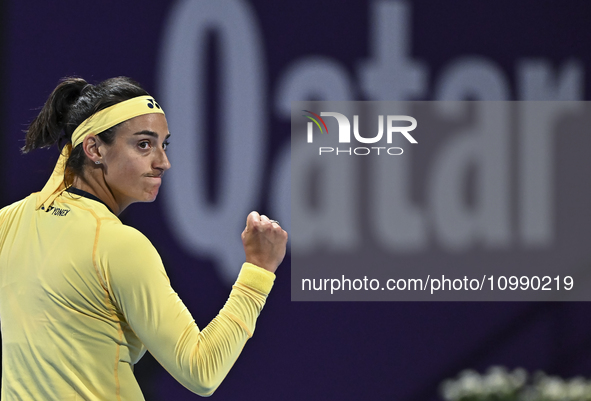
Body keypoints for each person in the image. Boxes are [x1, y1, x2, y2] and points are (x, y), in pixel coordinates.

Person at [0, 77, 287, 400]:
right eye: (143, 145)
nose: (163, 162)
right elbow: (202, 369)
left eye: (164, 145)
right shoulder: (120, 245)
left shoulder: (9, 221)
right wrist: (259, 271)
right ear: (94, 148)